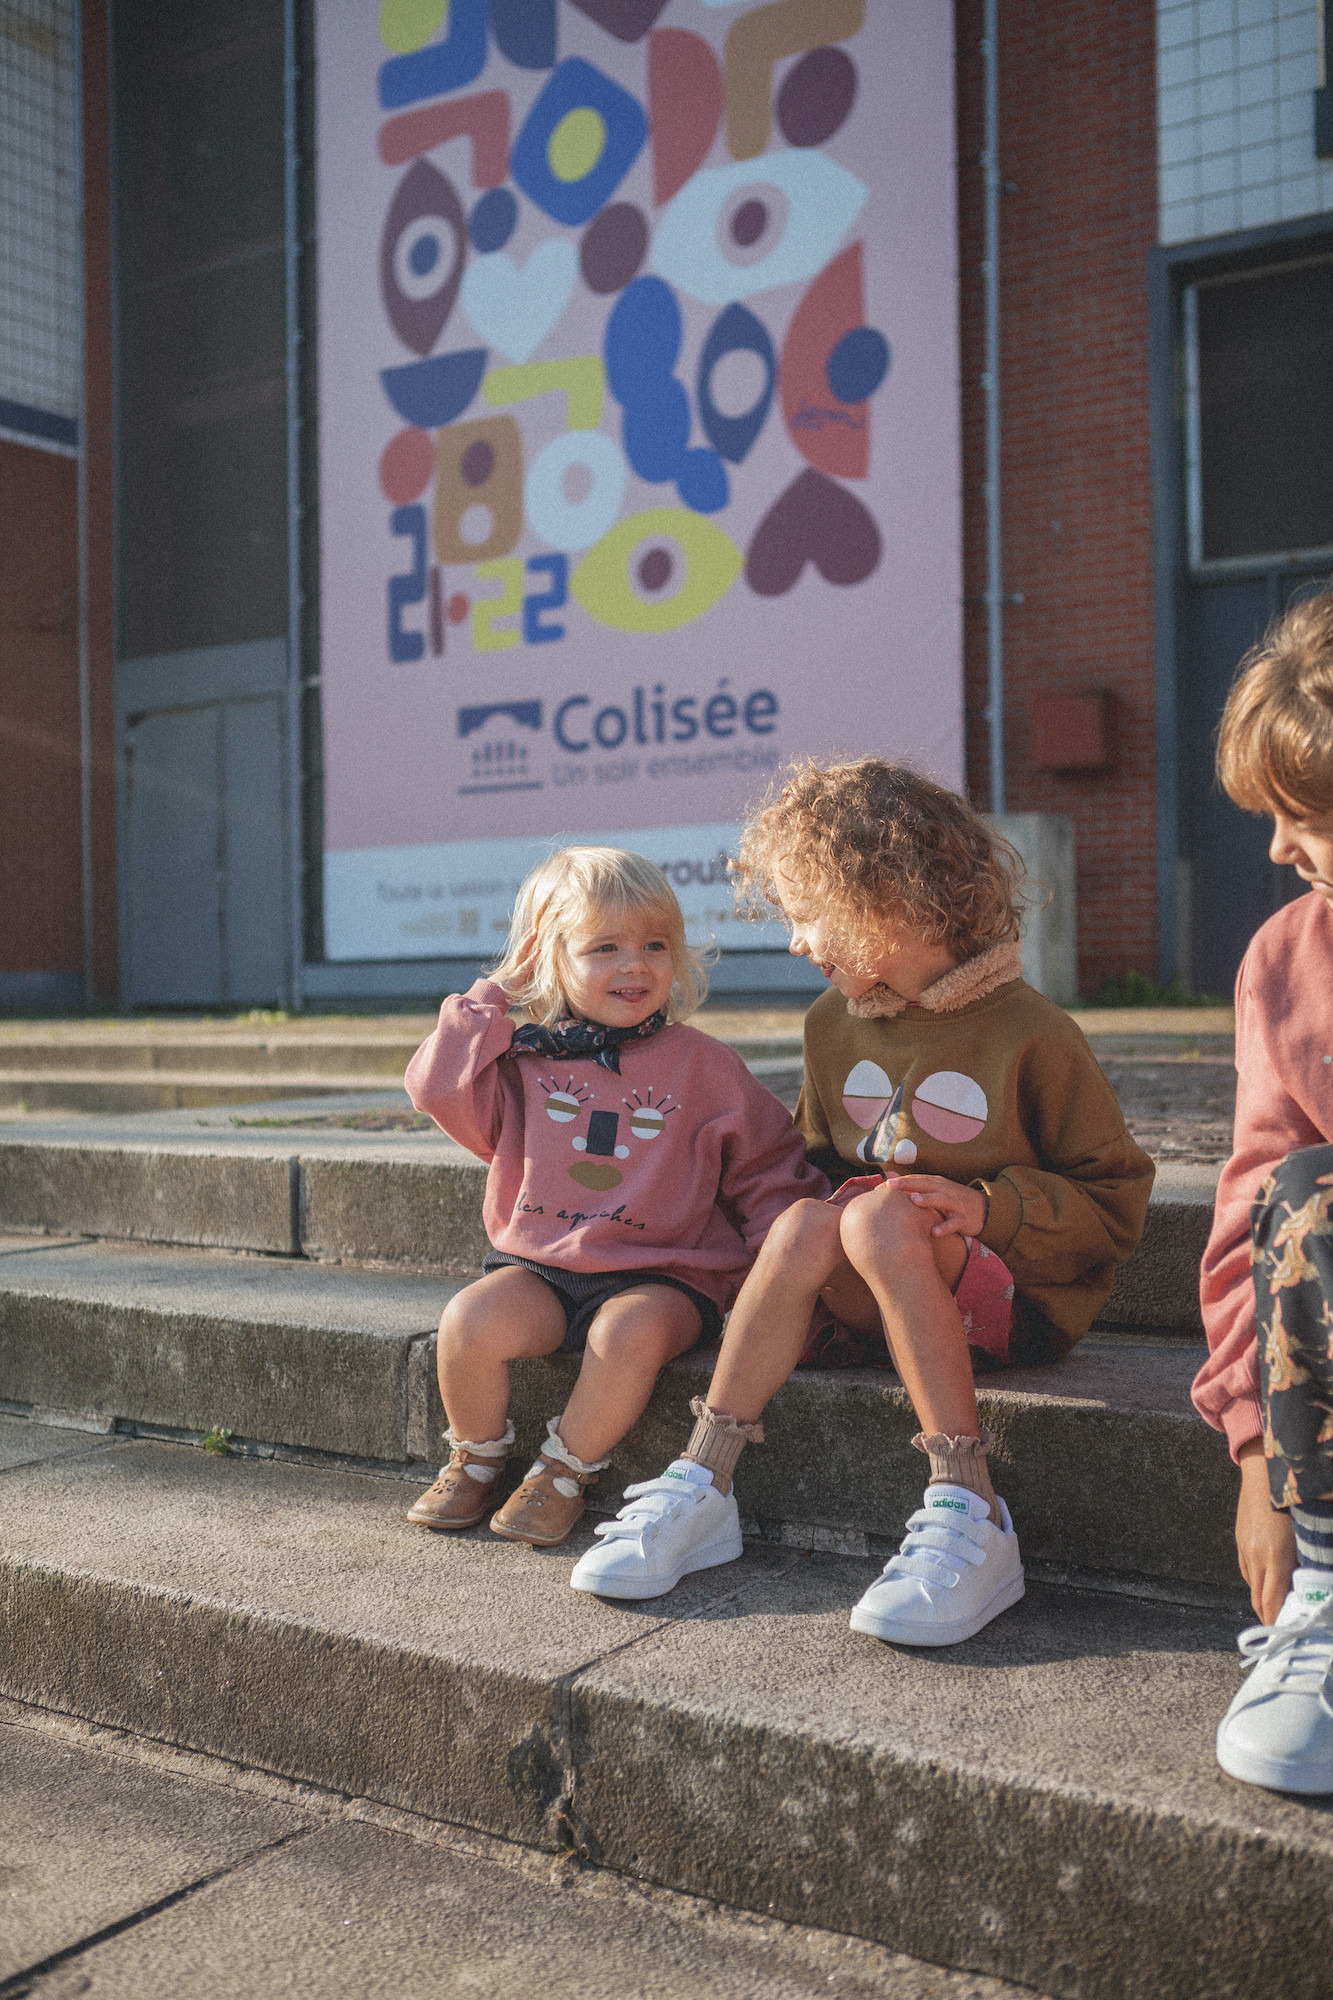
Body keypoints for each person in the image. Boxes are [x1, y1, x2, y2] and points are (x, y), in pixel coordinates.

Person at [571, 760, 1154, 1640]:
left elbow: (1114, 1203)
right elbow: (811, 1173)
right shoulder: (830, 1024)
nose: (796, 943)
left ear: (887, 902)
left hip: (1015, 1308)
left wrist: (989, 1209)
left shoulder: (1031, 1032)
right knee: (810, 1219)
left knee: (879, 1214)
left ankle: (968, 1504)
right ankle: (703, 1477)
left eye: (807, 914)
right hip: (877, 1299)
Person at [402, 846, 827, 1548]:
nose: (635, 965)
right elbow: (433, 1087)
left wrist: (779, 1285)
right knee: (469, 1321)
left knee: (623, 1336)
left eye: (655, 945)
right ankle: (475, 1457)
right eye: (605, 947)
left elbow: (769, 1172)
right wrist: (496, 993)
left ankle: (563, 1471)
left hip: (666, 1276)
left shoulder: (706, 1065)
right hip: (542, 1268)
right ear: (547, 957)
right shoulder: (521, 1059)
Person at [1191, 590, 1333, 1795]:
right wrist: (1260, 1450)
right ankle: (1328, 1582)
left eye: (1305, 815)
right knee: (1308, 1188)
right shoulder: (1286, 957)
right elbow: (1257, 1208)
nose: (1278, 848)